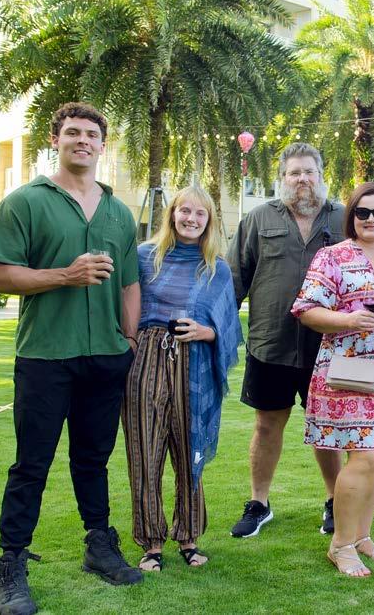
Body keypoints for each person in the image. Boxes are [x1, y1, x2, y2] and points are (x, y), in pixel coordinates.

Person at [0, 103, 142, 615]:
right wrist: (65, 275)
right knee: (31, 463)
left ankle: (99, 545)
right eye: (73, 132)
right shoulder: (24, 202)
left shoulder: (119, 212)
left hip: (105, 357)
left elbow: (129, 283)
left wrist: (128, 340)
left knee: (93, 460)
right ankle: (10, 563)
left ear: (103, 145)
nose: (83, 140)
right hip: (45, 356)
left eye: (92, 134)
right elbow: (2, 273)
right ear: (55, 140)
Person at [292, 182, 374, 578]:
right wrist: (348, 319)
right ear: (352, 217)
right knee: (365, 456)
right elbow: (306, 310)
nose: (371, 219)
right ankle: (341, 544)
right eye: (362, 212)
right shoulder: (332, 257)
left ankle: (362, 536)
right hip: (348, 373)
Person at [227, 143, 344, 538]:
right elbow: (235, 280)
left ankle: (335, 502)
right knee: (266, 426)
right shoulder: (258, 219)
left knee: (326, 428)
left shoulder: (343, 219)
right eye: (294, 173)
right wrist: (218, 332)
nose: (302, 179)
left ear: (321, 176)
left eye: (309, 171)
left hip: (328, 347)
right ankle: (259, 503)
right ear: (282, 179)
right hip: (270, 343)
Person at [124, 186, 242, 572]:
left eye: (199, 213)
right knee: (145, 451)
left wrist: (206, 332)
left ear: (209, 221)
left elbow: (229, 326)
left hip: (194, 363)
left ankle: (189, 538)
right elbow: (124, 305)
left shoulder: (216, 269)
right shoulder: (144, 257)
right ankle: (151, 543)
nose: (191, 219)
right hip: (146, 360)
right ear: (172, 214)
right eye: (184, 211)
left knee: (189, 450)